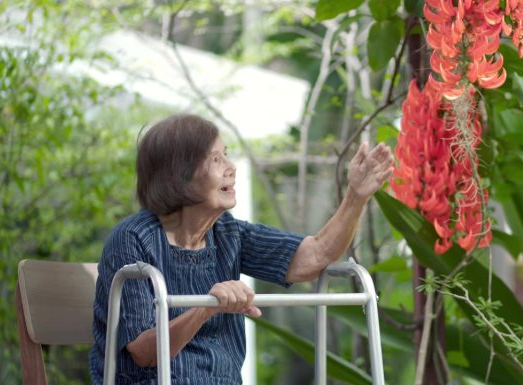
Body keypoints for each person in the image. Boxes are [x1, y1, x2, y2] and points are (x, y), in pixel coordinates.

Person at [88, 114, 393, 385]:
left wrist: (356, 196)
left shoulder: (228, 233)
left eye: (226, 155)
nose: (231, 168)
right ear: (178, 174)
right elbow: (144, 352)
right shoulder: (133, 239)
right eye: (215, 159)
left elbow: (313, 258)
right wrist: (208, 307)